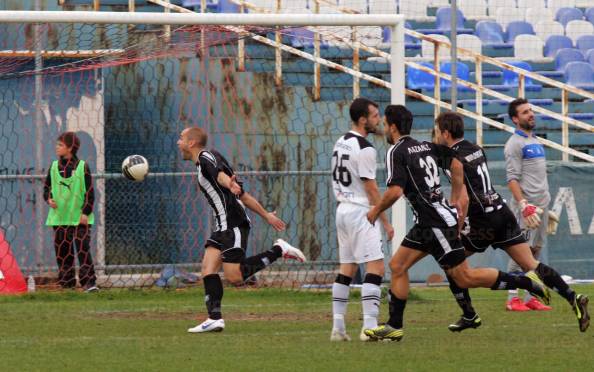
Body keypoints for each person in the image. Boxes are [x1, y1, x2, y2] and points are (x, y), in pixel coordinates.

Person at [363, 105, 548, 342]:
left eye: (386, 124)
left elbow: (395, 191)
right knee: (398, 266)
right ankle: (394, 325)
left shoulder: (396, 151)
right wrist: (458, 197)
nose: (384, 128)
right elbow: (457, 163)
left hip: (436, 223)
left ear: (394, 126)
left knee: (463, 278)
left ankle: (524, 282)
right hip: (427, 223)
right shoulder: (426, 146)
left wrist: (376, 210)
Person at [434, 111, 589, 333]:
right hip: (501, 211)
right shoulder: (476, 148)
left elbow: (464, 196)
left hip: (481, 220)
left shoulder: (451, 159)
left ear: (446, 133)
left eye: (437, 131)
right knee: (531, 263)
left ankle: (471, 314)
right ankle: (573, 296)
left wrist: (457, 226)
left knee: (450, 264)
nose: (435, 135)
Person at [178, 127, 307, 333]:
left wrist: (227, 183)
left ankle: (278, 250)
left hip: (233, 224)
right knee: (208, 270)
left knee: (235, 277)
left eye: (181, 138)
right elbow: (242, 194)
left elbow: (220, 176)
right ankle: (214, 319)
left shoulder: (205, 159)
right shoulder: (210, 158)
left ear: (191, 143)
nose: (178, 142)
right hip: (222, 226)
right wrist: (266, 214)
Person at [330, 98, 395, 342]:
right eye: (375, 115)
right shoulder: (365, 148)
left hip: (342, 210)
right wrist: (385, 221)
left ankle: (338, 328)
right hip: (360, 211)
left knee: (347, 268)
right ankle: (369, 328)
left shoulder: (340, 142)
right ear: (362, 120)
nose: (379, 120)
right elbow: (371, 189)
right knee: (376, 267)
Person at [44, 131, 98, 292]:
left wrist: (85, 213)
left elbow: (90, 193)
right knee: (63, 252)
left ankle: (89, 283)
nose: (57, 147)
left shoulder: (82, 167)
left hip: (79, 218)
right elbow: (46, 188)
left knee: (83, 250)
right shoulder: (54, 167)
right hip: (60, 218)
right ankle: (67, 283)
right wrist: (48, 199)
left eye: (60, 145)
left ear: (70, 148)